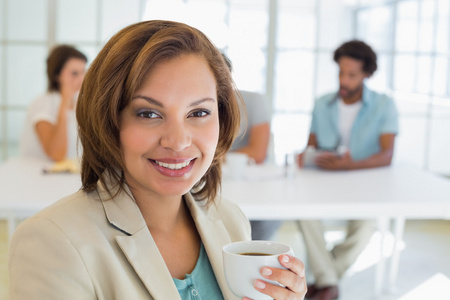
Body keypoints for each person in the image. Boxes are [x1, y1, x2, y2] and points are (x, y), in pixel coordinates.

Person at [9, 20, 307, 300]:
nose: (178, 141)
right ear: (108, 122)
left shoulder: (231, 220)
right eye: (148, 114)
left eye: (199, 112)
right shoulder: (52, 242)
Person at [297, 40, 398, 300]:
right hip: (324, 182)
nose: (344, 80)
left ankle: (325, 280)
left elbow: (387, 155)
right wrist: (306, 156)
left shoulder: (384, 105)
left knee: (367, 224)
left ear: (366, 75)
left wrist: (352, 165)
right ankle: (329, 283)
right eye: (341, 73)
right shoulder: (322, 104)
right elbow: (312, 146)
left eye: (352, 75)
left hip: (365, 183)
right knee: (304, 213)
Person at [222, 54, 280, 241]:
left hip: (252, 184)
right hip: (216, 184)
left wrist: (214, 157)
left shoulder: (254, 102)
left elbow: (257, 153)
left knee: (268, 217)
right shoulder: (193, 108)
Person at [20, 45, 87, 162]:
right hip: (40, 175)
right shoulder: (43, 104)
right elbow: (56, 153)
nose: (82, 79)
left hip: (67, 175)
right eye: (75, 73)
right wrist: (64, 103)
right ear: (57, 75)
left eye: (83, 72)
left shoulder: (78, 104)